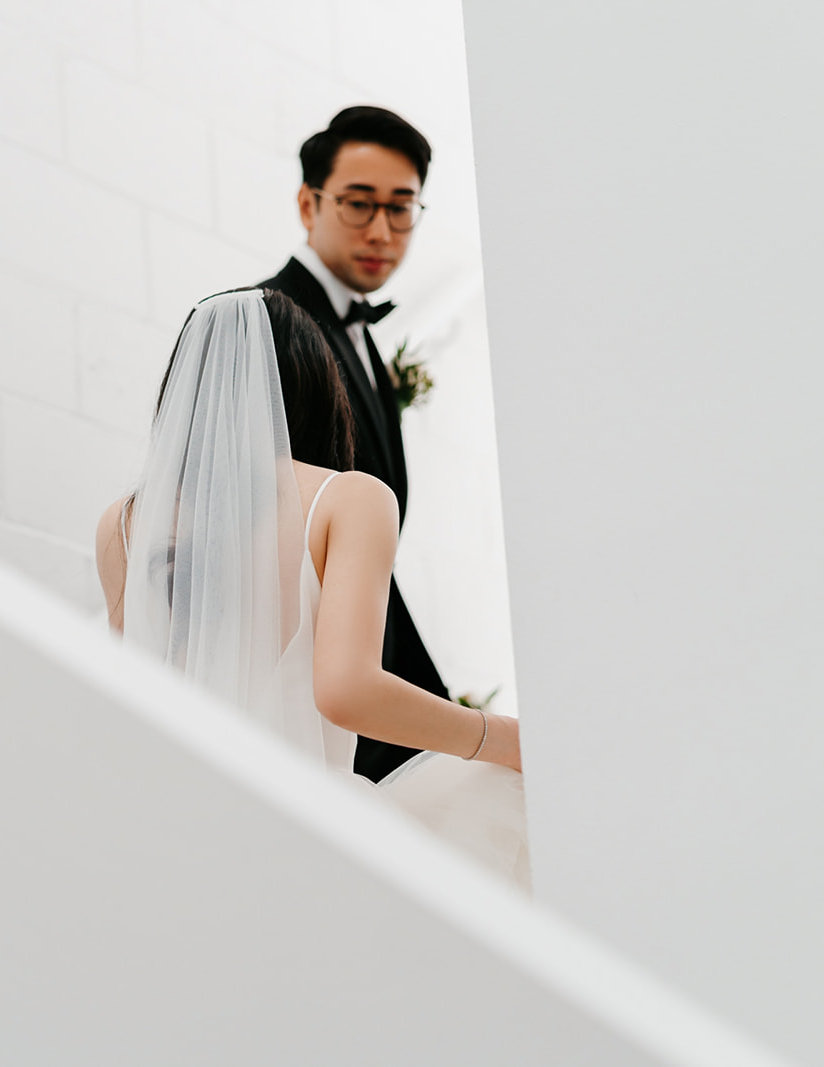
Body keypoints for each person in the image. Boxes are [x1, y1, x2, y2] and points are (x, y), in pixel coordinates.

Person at [96, 289, 528, 889]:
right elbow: (347, 690)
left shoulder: (125, 522)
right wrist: (498, 737)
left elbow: (126, 694)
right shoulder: (349, 497)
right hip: (304, 830)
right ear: (316, 385)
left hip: (173, 823)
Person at [258, 106, 443, 783]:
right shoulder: (267, 325)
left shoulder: (362, 340)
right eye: (359, 204)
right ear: (309, 204)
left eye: (401, 208)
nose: (381, 231)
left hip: (366, 668)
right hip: (311, 698)